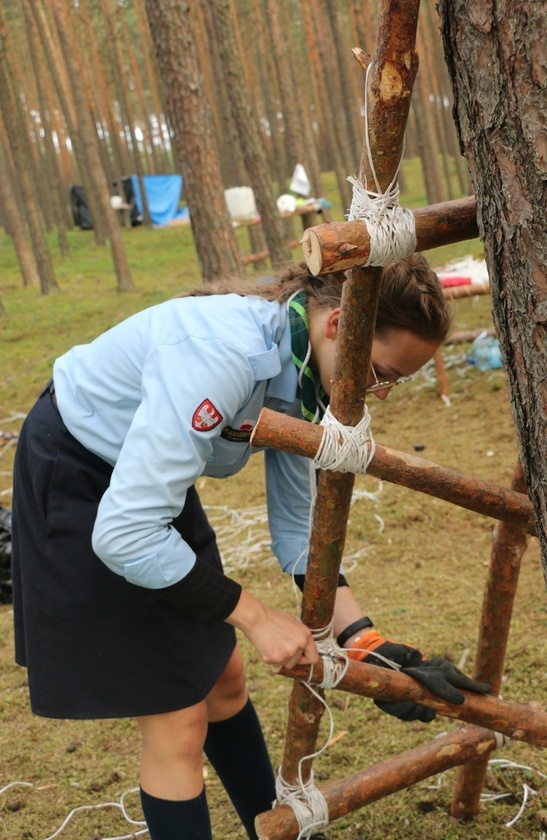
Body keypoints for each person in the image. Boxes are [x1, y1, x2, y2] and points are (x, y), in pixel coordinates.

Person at [11, 254, 489, 840]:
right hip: (84, 478)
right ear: (340, 324)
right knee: (179, 722)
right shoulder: (226, 356)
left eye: (396, 382)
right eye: (380, 374)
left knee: (224, 679)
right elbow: (126, 534)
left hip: (144, 485)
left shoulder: (308, 368)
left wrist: (365, 641)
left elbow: (296, 527)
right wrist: (256, 616)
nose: (380, 395)